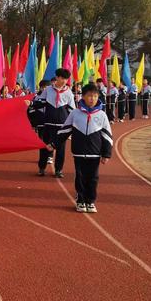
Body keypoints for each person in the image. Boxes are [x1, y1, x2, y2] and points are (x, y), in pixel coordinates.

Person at [52, 83, 112, 213]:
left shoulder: (102, 115)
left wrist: (106, 154)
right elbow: (64, 131)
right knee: (80, 177)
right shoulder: (75, 113)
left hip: (95, 154)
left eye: (95, 96)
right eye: (89, 96)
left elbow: (107, 136)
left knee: (93, 178)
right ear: (83, 96)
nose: (92, 98)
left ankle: (90, 201)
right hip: (79, 153)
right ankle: (80, 201)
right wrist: (53, 144)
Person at [32, 68, 75, 178]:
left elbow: (72, 110)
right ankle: (41, 168)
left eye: (66, 79)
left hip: (62, 126)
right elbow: (39, 102)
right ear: (57, 77)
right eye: (62, 78)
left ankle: (58, 170)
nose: (65, 81)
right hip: (48, 124)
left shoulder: (69, 92)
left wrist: (72, 124)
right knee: (45, 147)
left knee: (61, 150)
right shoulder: (48, 90)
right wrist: (32, 103)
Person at [27, 80, 53, 164]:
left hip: (49, 122)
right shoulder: (36, 97)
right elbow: (31, 109)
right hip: (40, 121)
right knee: (41, 141)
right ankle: (43, 158)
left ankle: (50, 156)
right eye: (43, 87)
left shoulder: (52, 97)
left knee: (50, 140)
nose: (45, 89)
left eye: (47, 87)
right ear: (41, 88)